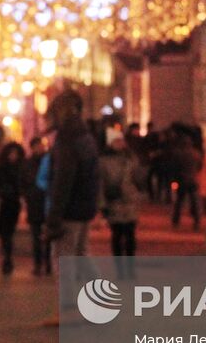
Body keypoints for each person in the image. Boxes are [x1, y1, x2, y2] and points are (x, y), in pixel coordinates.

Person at [42, 89, 100, 259]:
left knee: (64, 258)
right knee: (82, 254)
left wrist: (53, 217)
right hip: (85, 206)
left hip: (69, 209)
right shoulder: (86, 136)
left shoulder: (67, 139)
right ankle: (99, 286)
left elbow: (63, 180)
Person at [98, 133, 141, 264]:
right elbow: (101, 184)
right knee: (117, 235)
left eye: (121, 141)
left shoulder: (130, 159)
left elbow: (137, 178)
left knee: (130, 235)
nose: (120, 144)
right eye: (116, 141)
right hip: (114, 202)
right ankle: (119, 266)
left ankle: (130, 265)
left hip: (129, 202)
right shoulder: (104, 161)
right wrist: (102, 205)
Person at [0, 141, 25, 274]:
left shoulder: (21, 169)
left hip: (12, 205)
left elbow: (24, 186)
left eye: (15, 154)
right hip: (0, 205)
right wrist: (0, 190)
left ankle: (7, 258)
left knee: (8, 232)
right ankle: (7, 256)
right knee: (4, 233)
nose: (13, 156)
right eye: (11, 153)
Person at [21, 136, 51, 276]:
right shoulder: (28, 163)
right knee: (36, 235)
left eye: (41, 145)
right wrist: (28, 194)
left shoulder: (50, 161)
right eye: (37, 145)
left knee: (49, 235)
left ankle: (49, 264)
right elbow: (24, 181)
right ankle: (38, 264)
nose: (40, 148)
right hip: (34, 203)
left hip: (48, 202)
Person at [169, 126, 202, 230]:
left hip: (182, 179)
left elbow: (175, 166)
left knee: (179, 201)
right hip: (192, 179)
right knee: (194, 202)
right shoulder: (196, 153)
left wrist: (175, 178)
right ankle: (197, 220)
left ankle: (176, 220)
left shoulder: (179, 153)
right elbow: (199, 166)